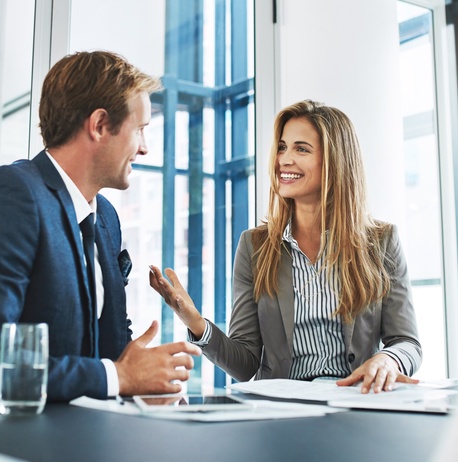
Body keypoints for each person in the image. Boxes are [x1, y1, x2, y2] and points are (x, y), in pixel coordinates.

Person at [0, 51, 201, 404]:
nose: (144, 148)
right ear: (98, 125)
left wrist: (142, 384)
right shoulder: (11, 196)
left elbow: (110, 351)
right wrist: (120, 377)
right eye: (140, 129)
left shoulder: (106, 217)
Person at [150, 100, 421, 394]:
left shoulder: (381, 242)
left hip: (357, 400)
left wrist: (388, 358)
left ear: (335, 161)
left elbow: (407, 342)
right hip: (283, 406)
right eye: (282, 147)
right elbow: (245, 365)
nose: (284, 160)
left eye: (301, 149)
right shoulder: (255, 247)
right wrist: (196, 322)